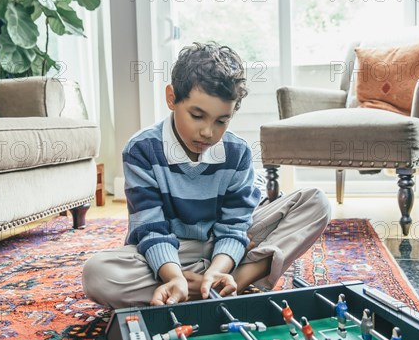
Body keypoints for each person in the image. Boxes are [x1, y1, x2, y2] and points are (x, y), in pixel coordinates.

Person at [82, 42, 330, 309]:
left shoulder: (238, 152)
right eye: (197, 115)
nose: (208, 132)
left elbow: (234, 227)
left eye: (221, 121)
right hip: (170, 251)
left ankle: (228, 280)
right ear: (171, 98)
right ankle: (199, 288)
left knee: (316, 202)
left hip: (225, 248)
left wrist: (219, 267)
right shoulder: (141, 149)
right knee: (97, 274)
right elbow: (151, 230)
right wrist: (173, 275)